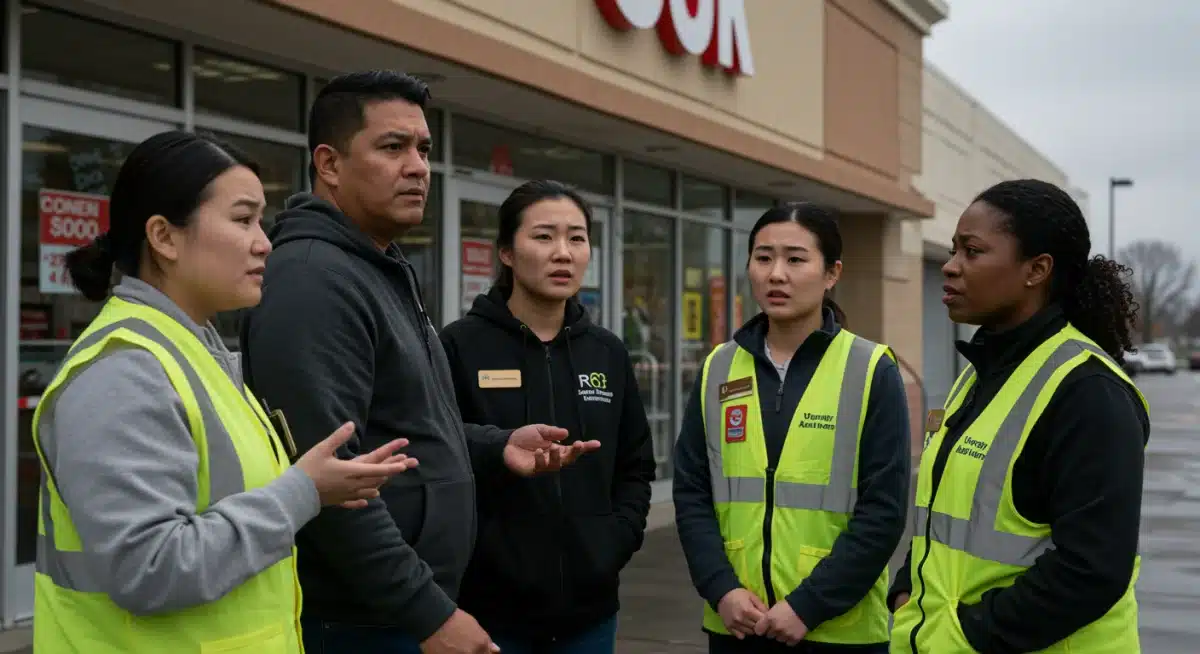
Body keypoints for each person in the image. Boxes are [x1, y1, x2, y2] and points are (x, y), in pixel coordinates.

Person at [239, 70, 600, 654]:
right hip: (361, 622)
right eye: (392, 147)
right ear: (329, 164)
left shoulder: (378, 267)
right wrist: (428, 614)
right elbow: (333, 479)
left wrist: (493, 447)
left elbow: (402, 428)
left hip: (396, 613)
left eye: (424, 149)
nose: (418, 167)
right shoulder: (312, 281)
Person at [31, 130, 417, 653]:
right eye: (242, 220)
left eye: (260, 220)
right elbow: (149, 568)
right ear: (164, 238)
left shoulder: (192, 350)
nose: (264, 242)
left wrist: (317, 487)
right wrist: (302, 492)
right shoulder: (123, 372)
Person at [888, 179, 1149, 653]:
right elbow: (945, 518)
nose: (950, 265)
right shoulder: (981, 375)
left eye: (972, 251)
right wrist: (907, 589)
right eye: (954, 249)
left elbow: (1091, 571)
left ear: (1037, 270)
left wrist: (962, 634)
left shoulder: (1089, 393)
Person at [673, 202, 912, 653]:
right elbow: (691, 491)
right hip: (737, 623)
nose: (776, 274)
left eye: (796, 259)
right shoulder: (718, 367)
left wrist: (808, 605)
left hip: (838, 631)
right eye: (763, 258)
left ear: (832, 273)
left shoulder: (870, 369)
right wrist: (721, 589)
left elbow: (884, 510)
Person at [439, 180, 657, 653]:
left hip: (590, 615)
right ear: (507, 252)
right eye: (543, 236)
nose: (563, 252)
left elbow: (636, 465)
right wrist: (497, 449)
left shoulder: (607, 353)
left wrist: (613, 541)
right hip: (487, 612)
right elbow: (437, 447)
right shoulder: (458, 346)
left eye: (577, 238)